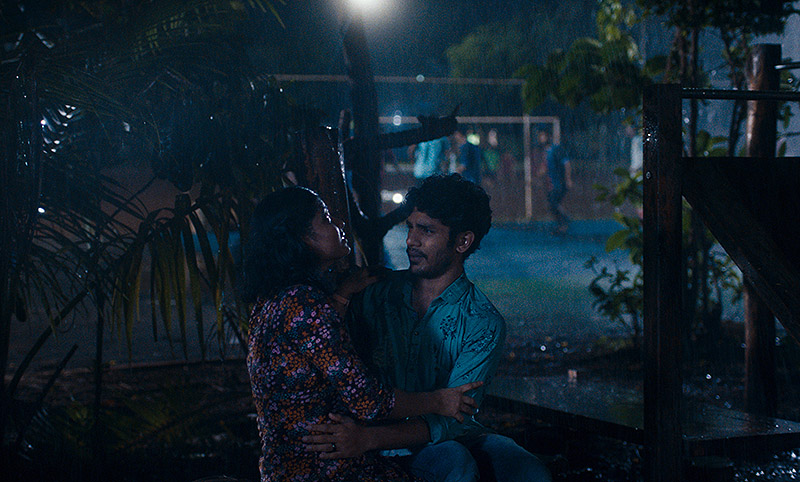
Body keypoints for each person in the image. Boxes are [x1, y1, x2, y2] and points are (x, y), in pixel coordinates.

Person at [304, 175, 552, 482]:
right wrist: (343, 295)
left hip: (443, 436)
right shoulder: (375, 293)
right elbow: (324, 350)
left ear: (463, 241)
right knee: (455, 462)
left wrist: (368, 439)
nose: (410, 240)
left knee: (529, 472)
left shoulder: (482, 321)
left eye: (427, 230)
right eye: (410, 227)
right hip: (381, 435)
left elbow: (456, 420)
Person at [242, 186, 483, 482]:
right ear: (303, 237)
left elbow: (310, 354)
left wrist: (342, 297)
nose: (340, 225)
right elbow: (368, 400)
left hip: (285, 469)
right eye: (326, 219)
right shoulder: (306, 305)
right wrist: (439, 401)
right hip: (329, 468)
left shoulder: (274, 300)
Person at [538, 130, 572, 234]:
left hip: (559, 182)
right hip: (552, 183)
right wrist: (539, 174)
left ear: (548, 137)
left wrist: (568, 179)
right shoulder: (545, 152)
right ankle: (561, 225)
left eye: (543, 136)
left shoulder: (556, 149)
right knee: (552, 204)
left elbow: (567, 164)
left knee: (554, 202)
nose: (541, 139)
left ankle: (565, 220)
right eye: (540, 137)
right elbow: (545, 168)